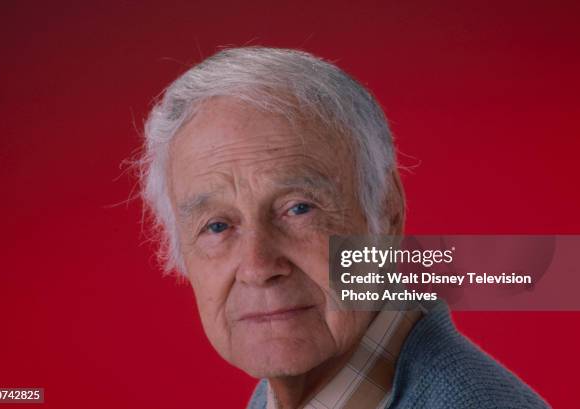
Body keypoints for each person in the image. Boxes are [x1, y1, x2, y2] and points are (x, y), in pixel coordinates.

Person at [136, 47, 549, 409]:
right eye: (217, 226)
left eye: (298, 209)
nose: (258, 266)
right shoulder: (286, 393)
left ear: (386, 216)